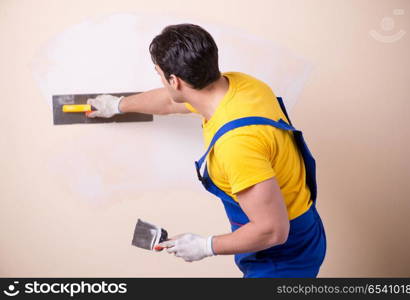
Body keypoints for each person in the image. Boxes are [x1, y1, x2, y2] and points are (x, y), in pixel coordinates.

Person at [86, 23, 326, 278]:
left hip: (282, 256)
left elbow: (273, 231)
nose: (161, 80)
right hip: (303, 229)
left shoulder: (236, 144)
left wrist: (205, 246)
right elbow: (170, 100)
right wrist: (117, 105)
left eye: (159, 74)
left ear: (174, 80)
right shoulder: (240, 86)